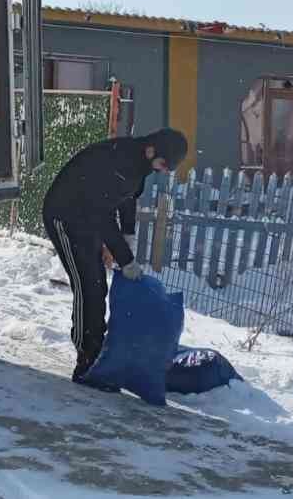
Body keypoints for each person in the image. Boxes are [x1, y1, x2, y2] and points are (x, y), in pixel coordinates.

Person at [42, 128, 188, 389]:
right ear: (152, 150)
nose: (165, 171)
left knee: (98, 285)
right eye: (165, 165)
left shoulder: (140, 164)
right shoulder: (120, 160)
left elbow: (127, 199)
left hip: (89, 217)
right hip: (65, 215)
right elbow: (102, 214)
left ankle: (98, 351)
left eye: (169, 169)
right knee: (88, 286)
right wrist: (125, 257)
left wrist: (128, 235)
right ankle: (88, 361)